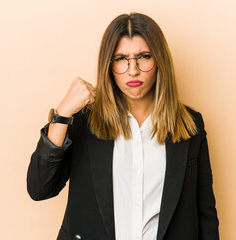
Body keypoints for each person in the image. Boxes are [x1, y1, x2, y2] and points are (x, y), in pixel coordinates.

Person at [27, 12, 219, 240]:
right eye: (121, 59)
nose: (133, 70)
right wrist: (62, 114)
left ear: (159, 61)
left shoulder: (191, 126)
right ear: (108, 65)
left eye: (144, 56)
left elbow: (205, 214)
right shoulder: (83, 121)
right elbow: (39, 188)